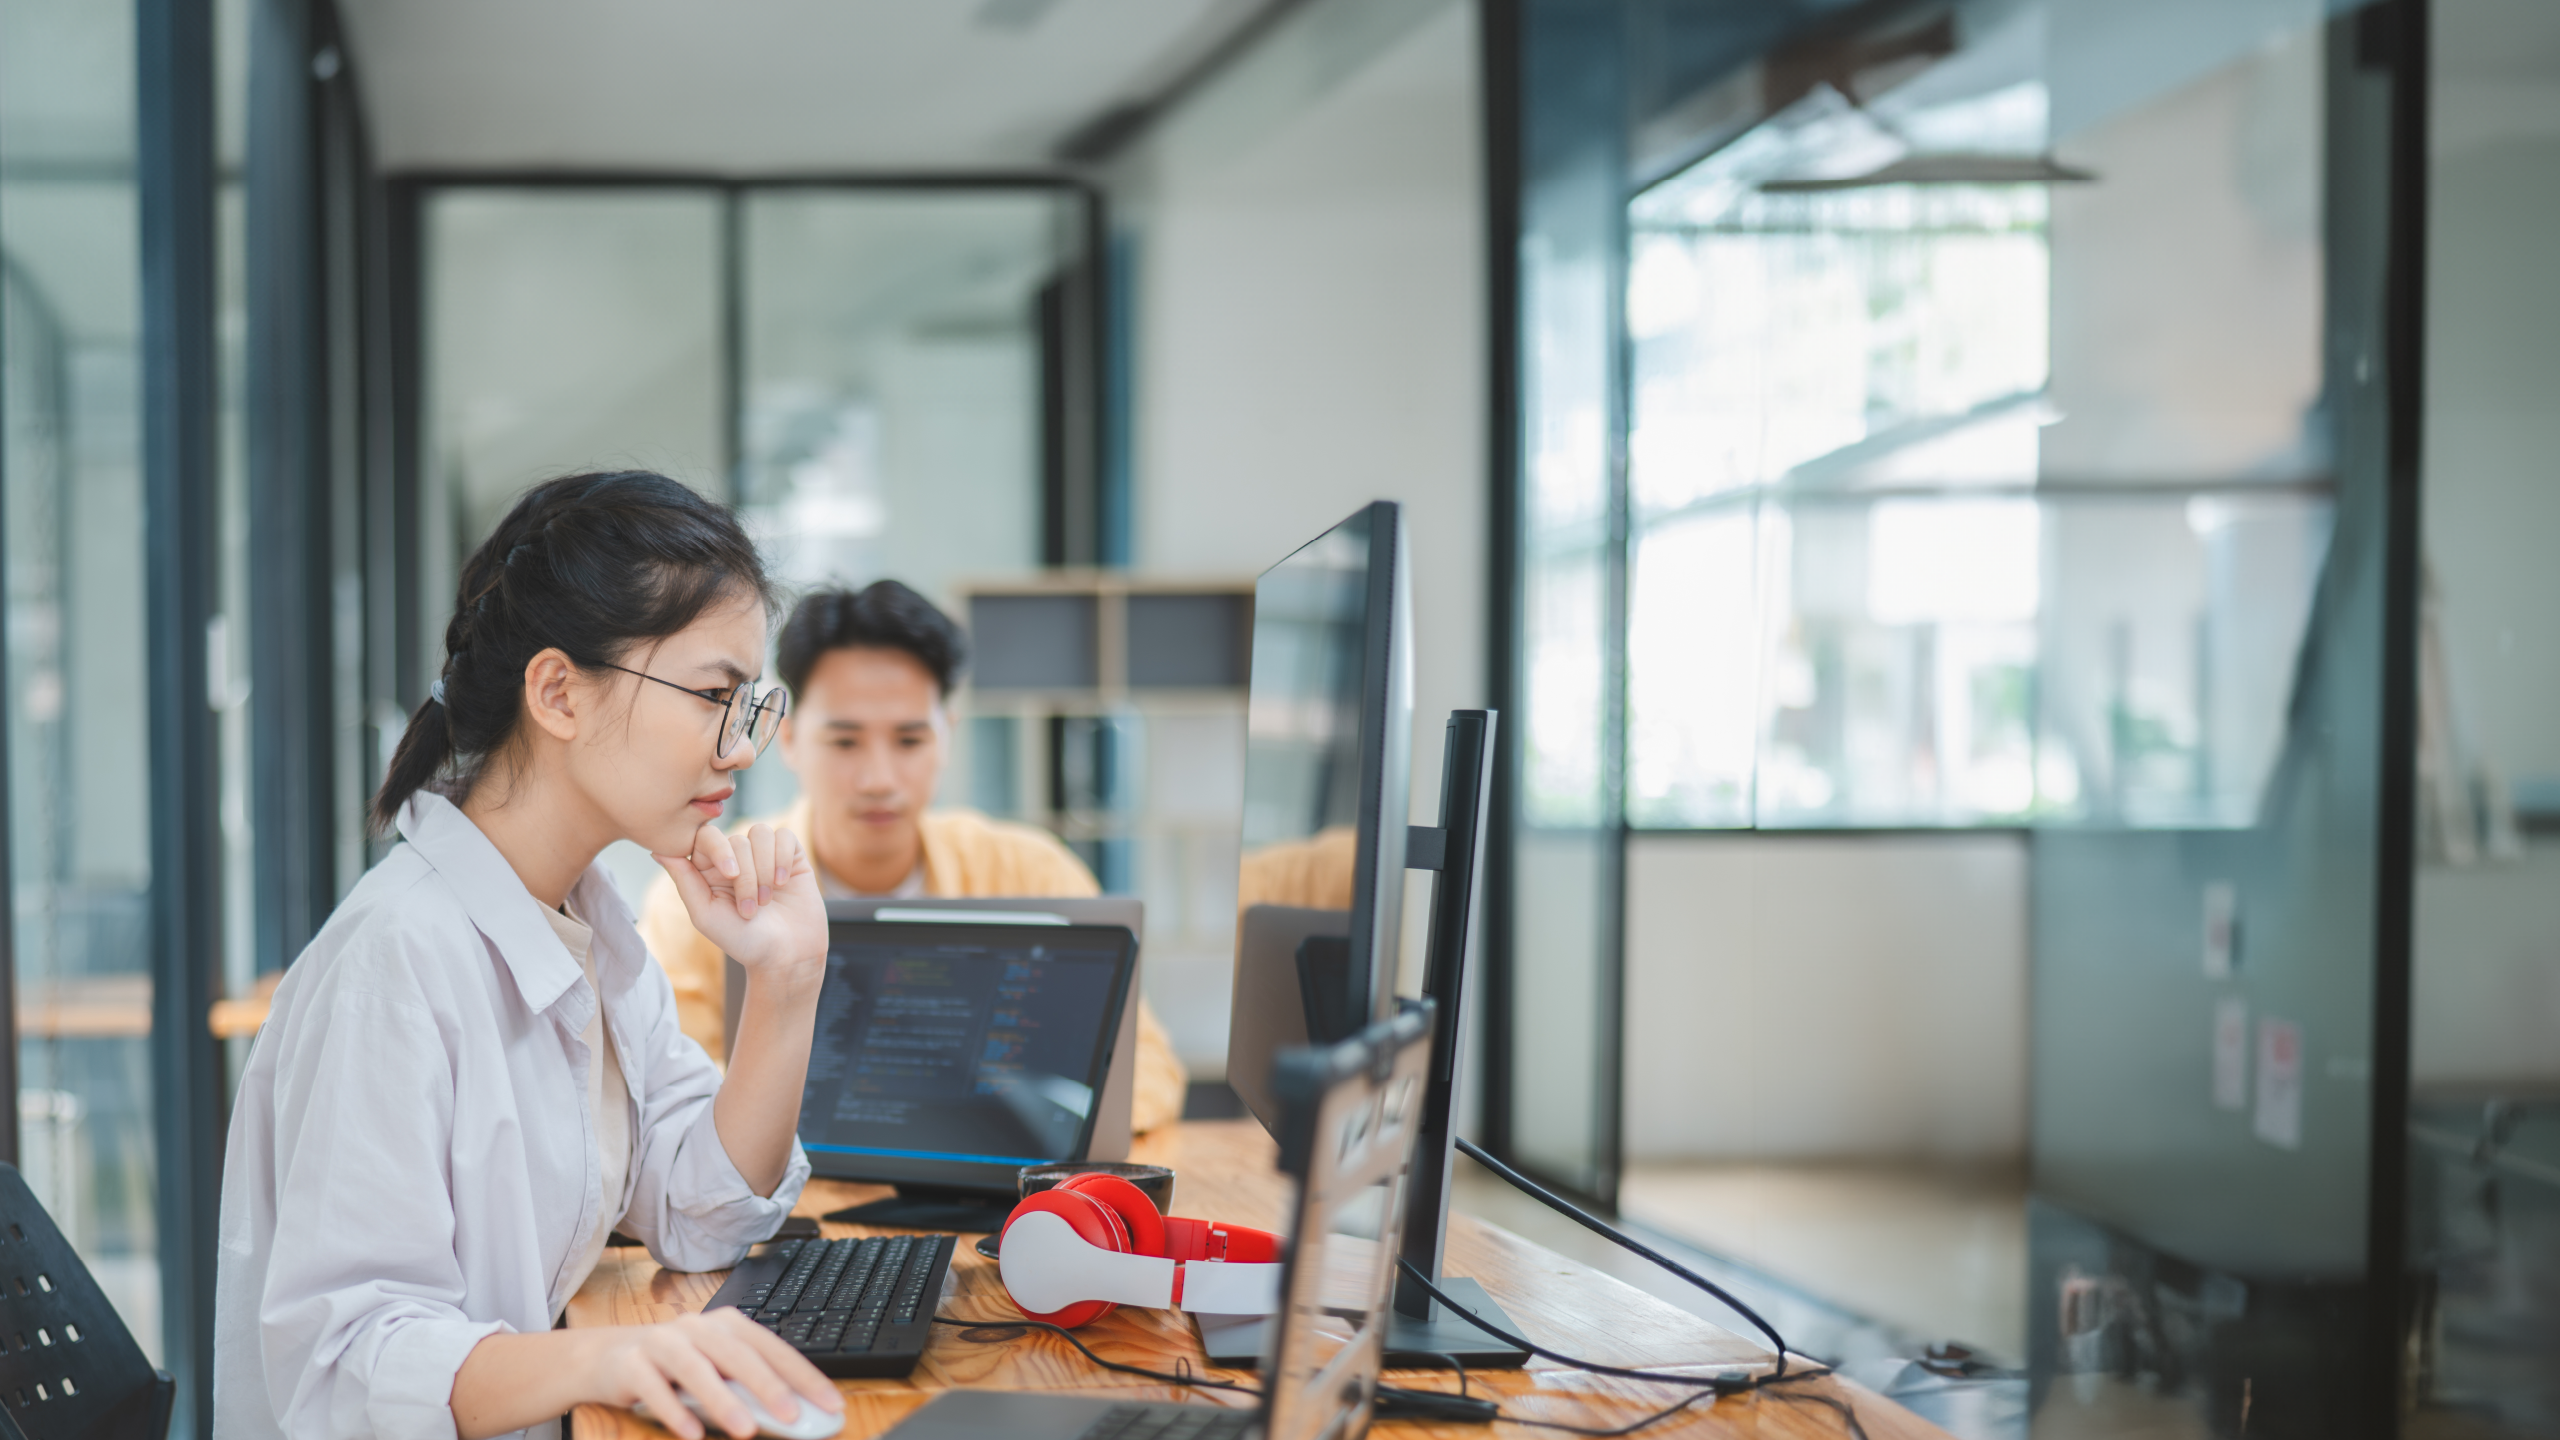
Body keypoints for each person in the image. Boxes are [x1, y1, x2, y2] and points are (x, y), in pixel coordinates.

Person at [216, 473, 842, 1440]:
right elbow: (347, 1366)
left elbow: (702, 1210)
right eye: (715, 696)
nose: (740, 750)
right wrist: (609, 1355)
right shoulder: (398, 960)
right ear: (557, 692)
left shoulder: (586, 918)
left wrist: (787, 981)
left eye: (749, 705)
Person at [637, 582, 1189, 1133]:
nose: (879, 780)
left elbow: (1148, 1071)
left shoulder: (1029, 872)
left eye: (909, 741)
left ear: (947, 736)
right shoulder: (712, 890)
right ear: (789, 739)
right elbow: (663, 1092)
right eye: (845, 742)